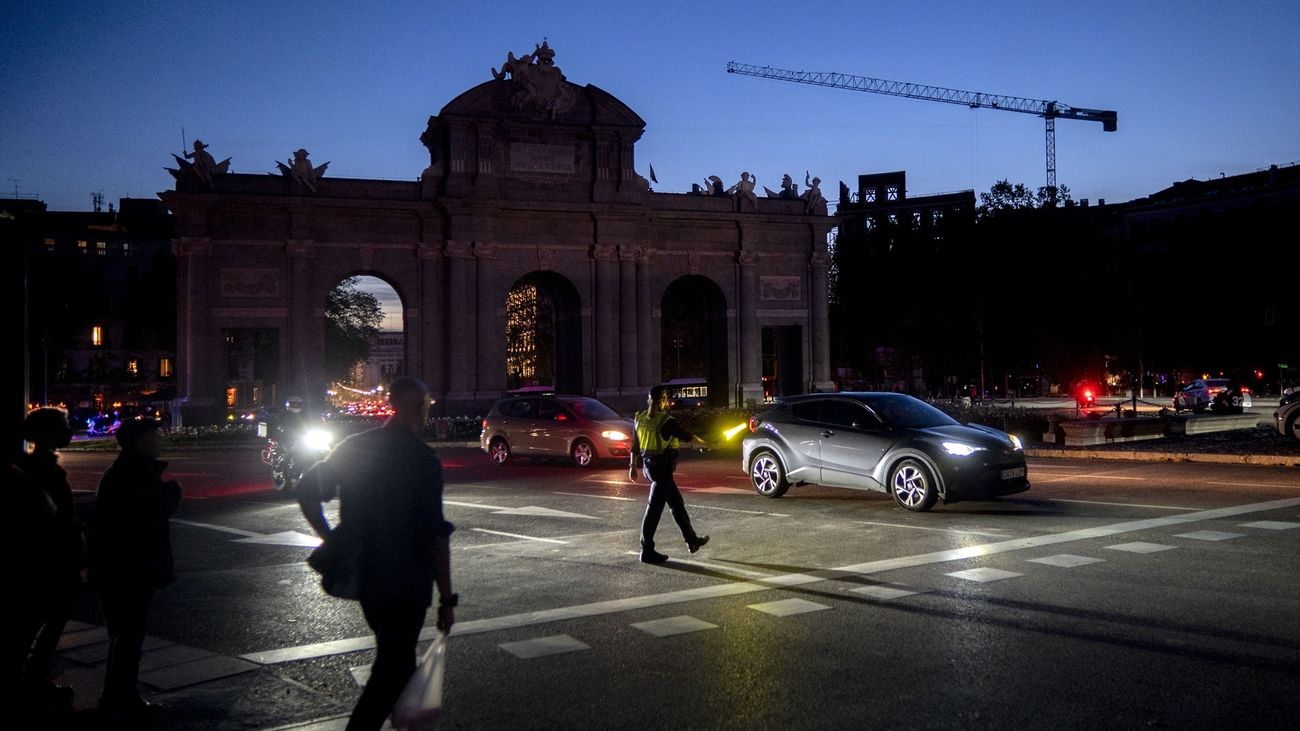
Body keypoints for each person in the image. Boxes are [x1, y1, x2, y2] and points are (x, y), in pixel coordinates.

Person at [296, 377, 456, 731]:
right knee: (391, 670)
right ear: (421, 407)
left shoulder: (356, 447)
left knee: (396, 662)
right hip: (408, 580)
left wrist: (329, 537)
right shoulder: (422, 459)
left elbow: (307, 490)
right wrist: (448, 598)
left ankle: (410, 720)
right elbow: (435, 534)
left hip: (368, 574)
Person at [87, 417, 181, 720]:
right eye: (155, 435)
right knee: (129, 634)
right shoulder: (135, 474)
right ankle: (120, 698)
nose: (160, 439)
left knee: (125, 634)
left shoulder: (123, 471)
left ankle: (118, 695)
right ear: (142, 441)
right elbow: (145, 517)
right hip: (130, 567)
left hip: (117, 566)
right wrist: (173, 493)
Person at [17, 407, 82, 718]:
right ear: (47, 434)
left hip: (43, 559)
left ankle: (33, 678)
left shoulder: (29, 467)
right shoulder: (46, 472)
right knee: (49, 617)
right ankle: (33, 679)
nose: (67, 432)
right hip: (51, 561)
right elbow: (59, 521)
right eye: (62, 426)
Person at [628, 385, 710, 564]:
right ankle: (647, 550)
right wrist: (706, 444)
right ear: (664, 400)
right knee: (653, 510)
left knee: (677, 504)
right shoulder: (666, 420)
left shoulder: (639, 417)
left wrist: (632, 467)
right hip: (662, 470)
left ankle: (692, 540)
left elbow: (635, 446)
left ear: (649, 400)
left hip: (649, 468)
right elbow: (687, 436)